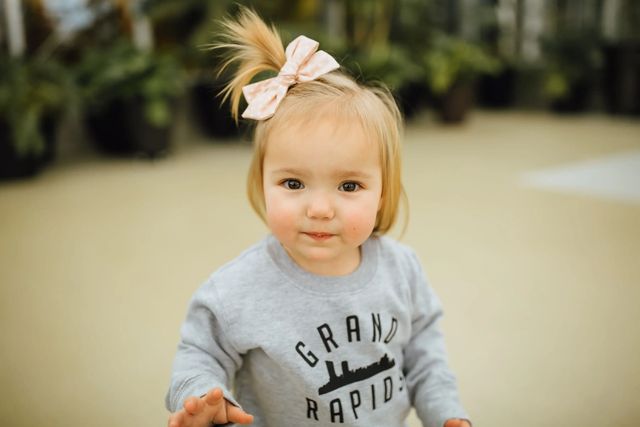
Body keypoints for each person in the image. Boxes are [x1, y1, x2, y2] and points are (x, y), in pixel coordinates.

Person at [166, 7, 471, 427]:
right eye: (293, 183)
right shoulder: (237, 289)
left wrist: (447, 415)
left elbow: (425, 362)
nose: (320, 209)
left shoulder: (403, 271)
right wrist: (202, 396)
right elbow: (199, 355)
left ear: (382, 192)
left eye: (349, 186)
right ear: (262, 183)